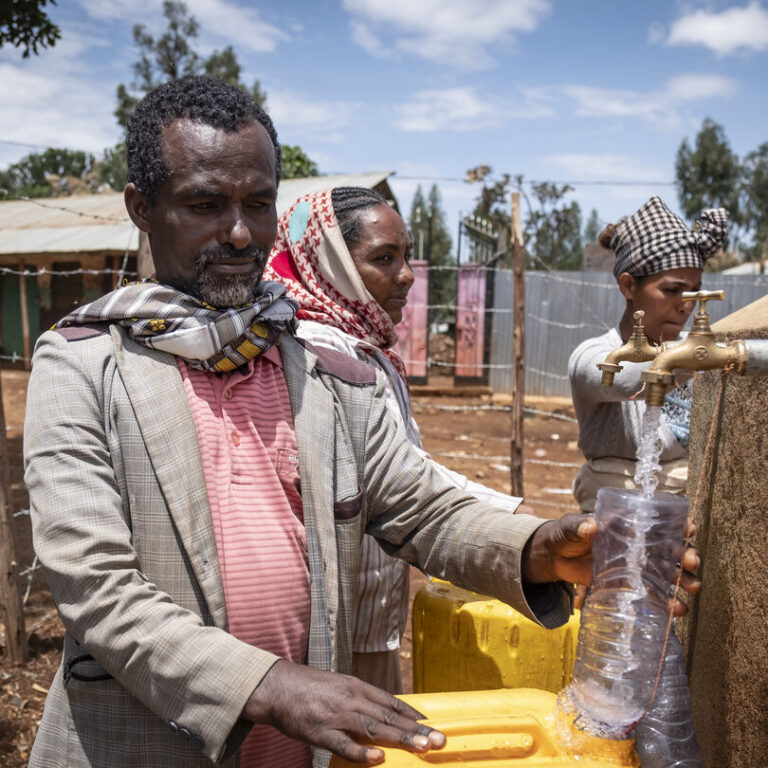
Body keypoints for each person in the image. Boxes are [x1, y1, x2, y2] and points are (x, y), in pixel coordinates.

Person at [23, 77, 699, 768]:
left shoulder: (318, 367)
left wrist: (541, 548)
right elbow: (96, 589)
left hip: (298, 749)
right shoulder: (84, 368)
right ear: (142, 207)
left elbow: (424, 507)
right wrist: (269, 684)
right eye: (203, 204)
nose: (237, 232)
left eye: (257, 205)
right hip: (135, 748)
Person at [265, 186, 527, 693]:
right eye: (383, 258)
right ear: (329, 265)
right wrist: (516, 520)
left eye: (404, 256)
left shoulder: (358, 341)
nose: (406, 275)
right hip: (332, 613)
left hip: (366, 599)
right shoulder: (319, 352)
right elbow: (401, 474)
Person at [568, 196, 729, 513]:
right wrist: (701, 358)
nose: (686, 304)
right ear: (628, 286)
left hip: (686, 515)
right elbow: (628, 381)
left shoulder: (699, 353)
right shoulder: (592, 355)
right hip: (611, 515)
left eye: (694, 291)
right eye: (672, 290)